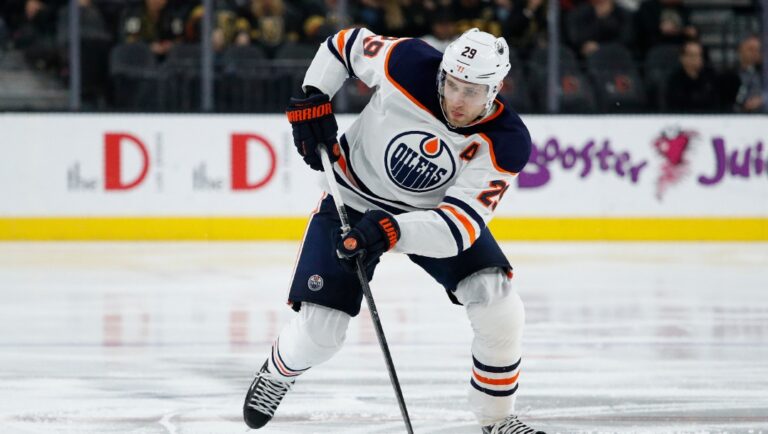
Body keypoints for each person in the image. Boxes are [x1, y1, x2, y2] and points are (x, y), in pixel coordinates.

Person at [242, 27, 542, 434]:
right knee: (320, 334)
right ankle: (278, 373)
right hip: (353, 199)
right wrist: (316, 93)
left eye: (471, 92)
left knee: (498, 305)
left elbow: (457, 228)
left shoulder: (506, 141)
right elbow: (342, 45)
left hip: (432, 216)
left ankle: (496, 418)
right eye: (451, 84)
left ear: (495, 89)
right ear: (442, 72)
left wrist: (388, 231)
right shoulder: (408, 63)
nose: (456, 100)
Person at [665, 39, 720, 112]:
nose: (697, 59)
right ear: (682, 58)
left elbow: (716, 103)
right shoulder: (675, 80)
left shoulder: (710, 77)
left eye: (700, 55)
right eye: (693, 55)